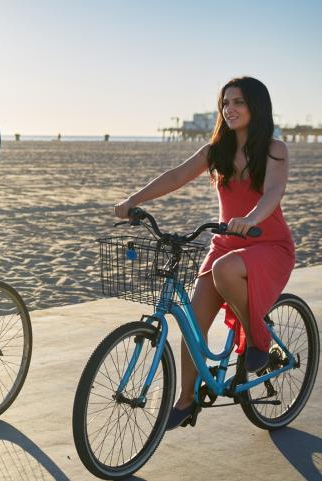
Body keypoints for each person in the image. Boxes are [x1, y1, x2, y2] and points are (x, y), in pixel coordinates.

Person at [113, 76, 294, 430]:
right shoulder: (216, 150)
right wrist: (134, 200)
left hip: (267, 242)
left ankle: (258, 339)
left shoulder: (275, 149)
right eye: (225, 103)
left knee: (225, 269)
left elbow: (273, 192)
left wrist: (250, 219)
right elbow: (176, 176)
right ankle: (186, 400)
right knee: (193, 326)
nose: (230, 109)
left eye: (238, 102)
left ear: (256, 106)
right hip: (227, 243)